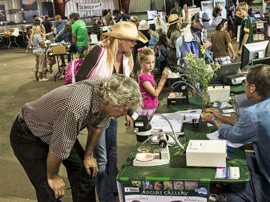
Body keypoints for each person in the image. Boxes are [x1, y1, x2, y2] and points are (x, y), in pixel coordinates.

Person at [10, 74, 141, 202]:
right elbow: (59, 149)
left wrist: (88, 156)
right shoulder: (76, 106)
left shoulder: (105, 98)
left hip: (57, 130)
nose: (125, 113)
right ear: (112, 100)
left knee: (85, 173)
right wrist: (53, 176)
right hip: (28, 135)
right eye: (125, 108)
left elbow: (97, 127)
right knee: (50, 191)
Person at [75, 21, 147, 202]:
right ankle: (105, 196)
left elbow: (124, 88)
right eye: (131, 40)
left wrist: (128, 111)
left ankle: (115, 188)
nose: (134, 44)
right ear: (119, 39)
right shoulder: (98, 52)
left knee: (112, 152)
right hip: (97, 113)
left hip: (112, 111)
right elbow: (80, 81)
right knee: (101, 158)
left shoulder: (126, 58)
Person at [201, 64, 270, 202]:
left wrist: (214, 120)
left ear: (252, 88)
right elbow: (247, 125)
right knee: (243, 159)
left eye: (245, 83)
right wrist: (220, 115)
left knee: (229, 181)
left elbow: (233, 135)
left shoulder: (254, 114)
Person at [137, 47, 170, 115]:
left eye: (153, 62)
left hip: (152, 106)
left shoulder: (149, 74)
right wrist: (163, 79)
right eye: (148, 63)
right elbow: (155, 93)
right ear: (140, 62)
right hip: (147, 109)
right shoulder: (143, 77)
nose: (151, 65)